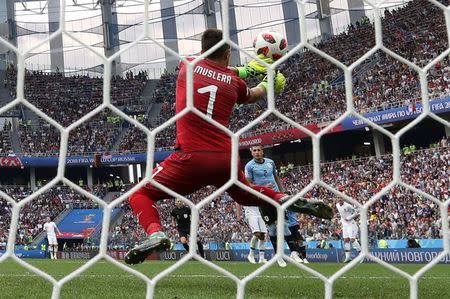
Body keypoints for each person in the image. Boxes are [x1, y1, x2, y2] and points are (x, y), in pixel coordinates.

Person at [125, 28, 332, 265]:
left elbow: (213, 70)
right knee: (245, 194)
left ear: (203, 49)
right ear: (227, 54)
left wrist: (248, 70)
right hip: (225, 158)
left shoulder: (187, 66)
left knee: (140, 193)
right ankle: (284, 198)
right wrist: (269, 80)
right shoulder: (234, 82)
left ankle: (156, 233)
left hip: (191, 157)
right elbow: (253, 94)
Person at [246, 145, 304, 267]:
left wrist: (282, 193)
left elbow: (277, 178)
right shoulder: (249, 166)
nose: (257, 152)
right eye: (254, 150)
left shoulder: (270, 162)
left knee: (283, 224)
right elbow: (248, 184)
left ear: (262, 151)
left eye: (259, 150)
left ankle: (293, 252)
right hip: (263, 199)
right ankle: (279, 255)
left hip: (276, 196)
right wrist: (263, 188)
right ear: (252, 153)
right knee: (272, 228)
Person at [336, 199, 361, 263]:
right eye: (338, 198)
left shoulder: (348, 206)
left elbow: (356, 213)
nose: (339, 199)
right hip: (344, 225)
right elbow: (342, 214)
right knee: (346, 240)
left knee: (352, 240)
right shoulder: (337, 205)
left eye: (341, 198)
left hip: (351, 224)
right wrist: (341, 221)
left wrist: (349, 218)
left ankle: (361, 254)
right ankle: (348, 257)